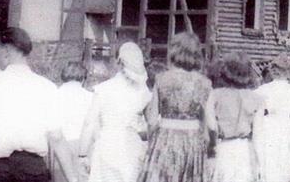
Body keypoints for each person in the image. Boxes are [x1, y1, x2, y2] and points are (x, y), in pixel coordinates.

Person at [0, 27, 76, 182]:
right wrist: (73, 179)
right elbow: (57, 137)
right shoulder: (46, 87)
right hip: (33, 171)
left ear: (6, 51)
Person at [138, 32, 212, 182]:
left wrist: (152, 145)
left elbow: (152, 120)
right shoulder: (205, 83)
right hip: (193, 142)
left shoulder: (162, 79)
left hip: (165, 139)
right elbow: (208, 125)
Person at [78, 42, 151, 182]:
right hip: (132, 148)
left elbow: (89, 122)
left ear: (119, 62)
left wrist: (82, 154)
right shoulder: (143, 92)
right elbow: (151, 124)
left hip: (107, 145)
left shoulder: (104, 89)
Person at [205, 53, 262, 182]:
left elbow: (212, 126)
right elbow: (258, 135)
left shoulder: (215, 95)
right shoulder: (257, 99)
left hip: (224, 148)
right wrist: (258, 162)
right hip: (245, 150)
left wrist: (212, 147)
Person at [253, 54, 290, 182]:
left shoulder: (262, 90)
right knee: (285, 161)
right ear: (287, 72)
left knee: (270, 162)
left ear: (273, 72)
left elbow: (257, 116)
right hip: (286, 127)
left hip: (268, 127)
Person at [52, 62, 93, 182]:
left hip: (60, 144)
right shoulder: (90, 97)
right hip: (84, 145)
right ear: (83, 78)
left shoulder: (54, 95)